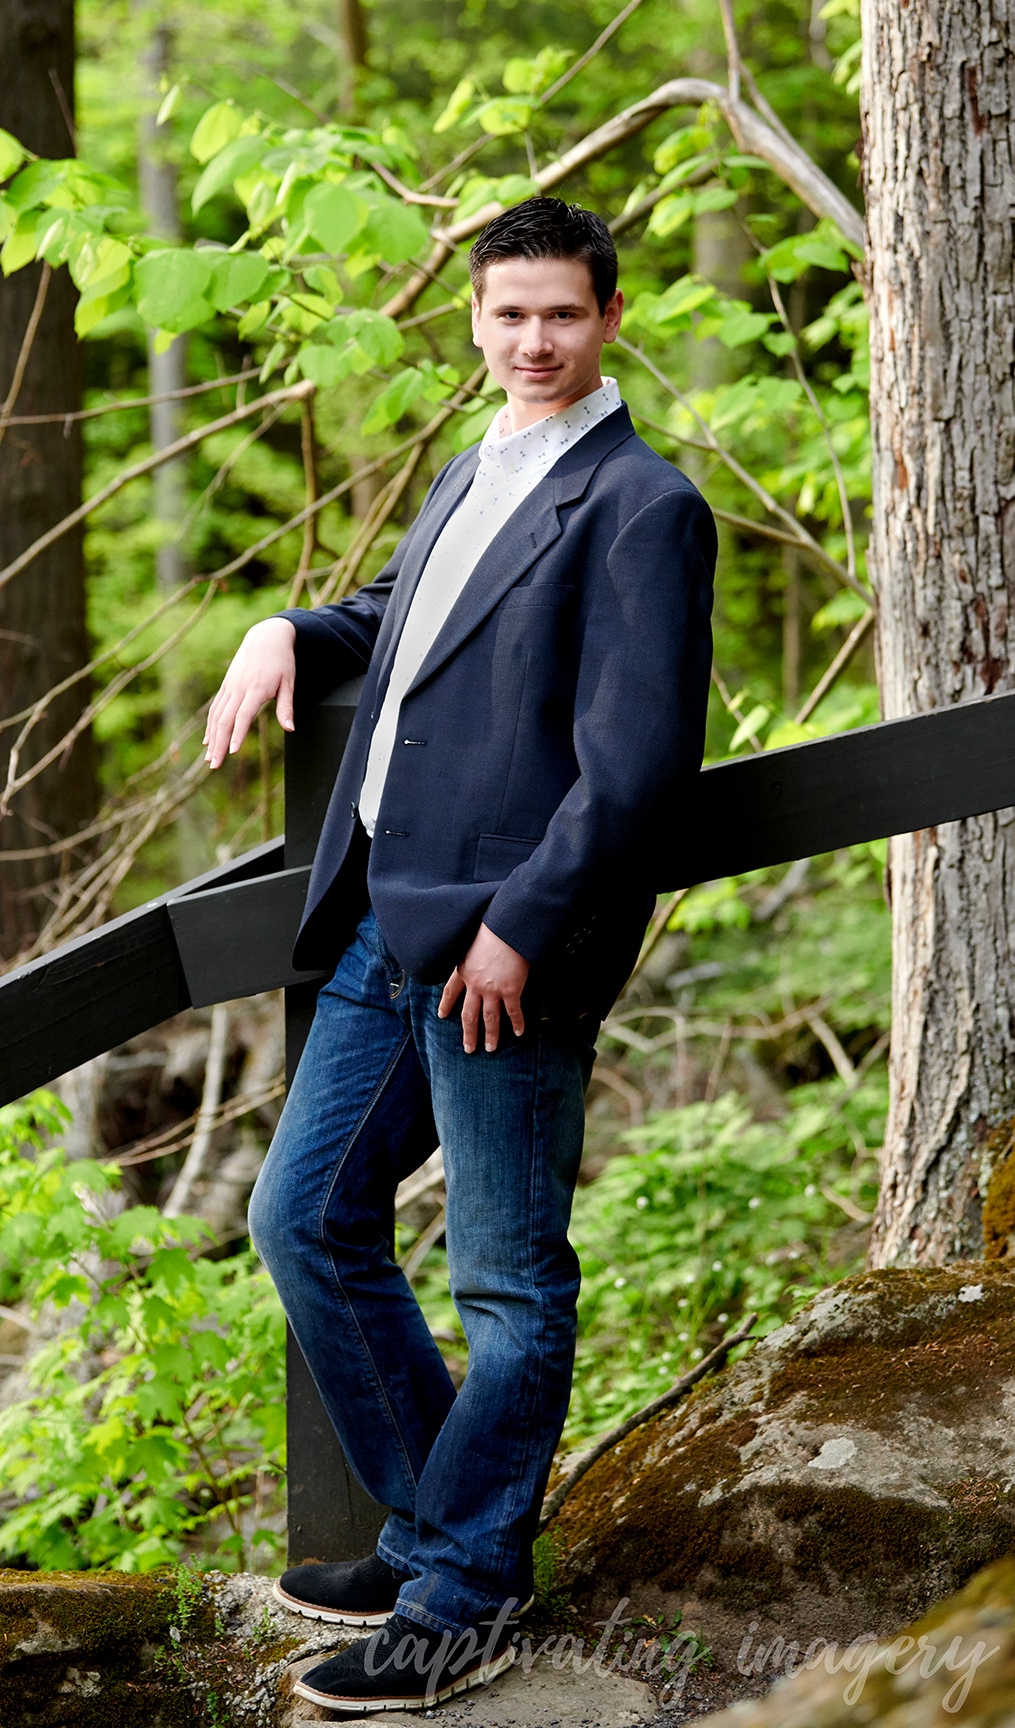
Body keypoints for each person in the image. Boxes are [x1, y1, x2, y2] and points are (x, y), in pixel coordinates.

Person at [203, 195, 716, 1713]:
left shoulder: (644, 506)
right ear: (474, 323)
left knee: (504, 1281)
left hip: (509, 948)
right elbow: (412, 622)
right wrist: (296, 625)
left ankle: (463, 1588)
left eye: (562, 313)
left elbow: (633, 771)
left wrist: (521, 929)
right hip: (382, 919)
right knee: (302, 1219)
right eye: (508, 315)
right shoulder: (474, 465)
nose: (534, 340)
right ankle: (445, 1524)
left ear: (609, 318)